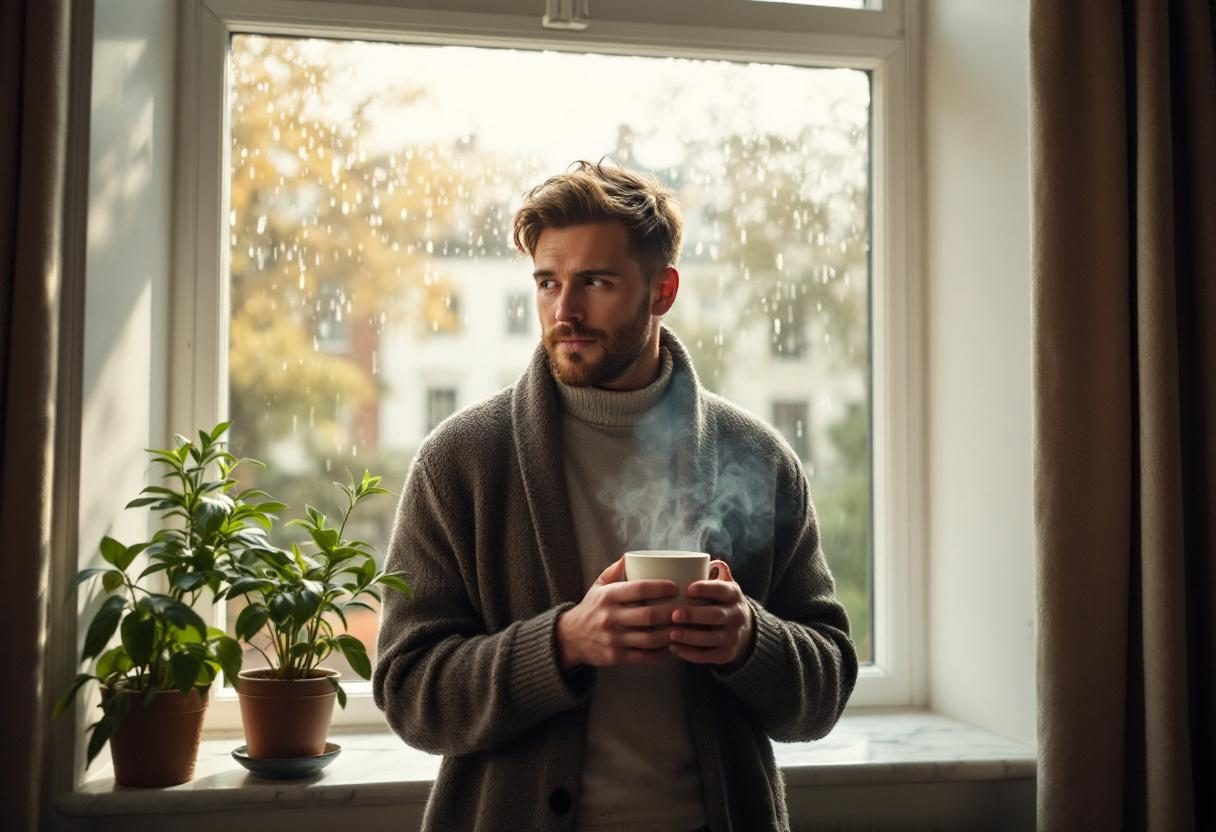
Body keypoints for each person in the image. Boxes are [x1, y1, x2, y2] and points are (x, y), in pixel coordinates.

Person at [373, 160, 858, 832]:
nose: (564, 310)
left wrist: (752, 640)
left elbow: (828, 685)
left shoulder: (757, 457)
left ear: (662, 290)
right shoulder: (461, 463)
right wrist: (564, 643)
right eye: (548, 283)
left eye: (595, 283)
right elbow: (409, 694)